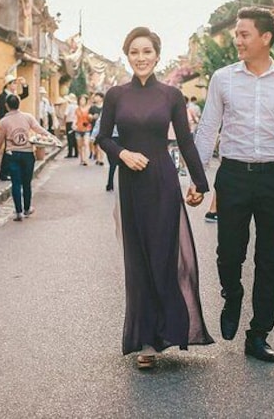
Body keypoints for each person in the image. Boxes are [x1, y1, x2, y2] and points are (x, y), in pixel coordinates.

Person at [193, 6, 274, 363]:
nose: (237, 41)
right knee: (229, 252)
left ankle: (259, 333)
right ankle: (232, 293)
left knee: (269, 260)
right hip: (232, 176)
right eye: (236, 35)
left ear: (265, 38)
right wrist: (199, 180)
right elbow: (207, 128)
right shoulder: (223, 79)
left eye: (244, 34)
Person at [96, 26, 213, 370]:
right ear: (127, 56)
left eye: (147, 52)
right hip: (131, 185)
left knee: (163, 256)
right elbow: (103, 138)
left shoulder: (171, 95)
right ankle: (146, 340)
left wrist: (201, 183)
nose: (141, 58)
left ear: (157, 55)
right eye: (134, 52)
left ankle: (169, 331)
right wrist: (123, 155)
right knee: (138, 259)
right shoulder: (116, 95)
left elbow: (186, 142)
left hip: (163, 182)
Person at [0, 94, 55, 221]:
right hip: (27, 154)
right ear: (19, 103)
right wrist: (52, 137)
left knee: (15, 183)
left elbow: (0, 140)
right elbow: (39, 129)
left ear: (6, 106)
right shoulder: (28, 117)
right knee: (27, 183)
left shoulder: (4, 121)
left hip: (12, 154)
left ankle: (18, 212)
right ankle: (27, 209)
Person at [74, 94, 93, 166]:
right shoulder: (77, 109)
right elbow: (75, 118)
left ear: (86, 101)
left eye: (83, 100)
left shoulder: (89, 109)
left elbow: (91, 118)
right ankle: (81, 159)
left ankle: (86, 159)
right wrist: (74, 125)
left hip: (87, 128)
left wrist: (90, 117)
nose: (82, 101)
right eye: (81, 100)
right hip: (78, 128)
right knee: (79, 145)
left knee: (86, 144)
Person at [89, 92, 105, 165]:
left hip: (103, 127)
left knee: (100, 143)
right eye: (95, 97)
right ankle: (95, 154)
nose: (96, 98)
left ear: (101, 98)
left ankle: (100, 159)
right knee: (95, 143)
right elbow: (89, 116)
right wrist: (92, 117)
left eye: (97, 96)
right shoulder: (92, 107)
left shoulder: (105, 107)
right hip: (94, 127)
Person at [64, 93, 78, 158]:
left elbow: (66, 114)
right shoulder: (77, 106)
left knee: (70, 138)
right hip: (76, 123)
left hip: (69, 123)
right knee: (75, 138)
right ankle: (76, 153)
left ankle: (70, 153)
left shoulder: (69, 106)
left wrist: (64, 121)